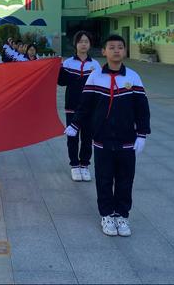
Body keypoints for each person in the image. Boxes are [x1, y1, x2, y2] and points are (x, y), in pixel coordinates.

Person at [65, 34, 151, 237]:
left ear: (125, 51)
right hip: (102, 139)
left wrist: (142, 134)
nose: (116, 51)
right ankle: (107, 215)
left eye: (120, 47)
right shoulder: (95, 76)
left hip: (127, 139)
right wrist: (75, 125)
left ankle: (122, 216)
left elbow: (142, 108)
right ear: (104, 51)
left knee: (125, 179)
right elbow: (85, 105)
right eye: (111, 47)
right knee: (104, 179)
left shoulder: (133, 77)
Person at [58, 31, 101, 182]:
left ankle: (84, 165)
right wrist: (58, 68)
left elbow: (99, 86)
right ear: (75, 44)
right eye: (81, 41)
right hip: (72, 107)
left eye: (86, 41)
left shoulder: (95, 65)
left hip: (90, 108)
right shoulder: (68, 63)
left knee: (87, 137)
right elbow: (61, 82)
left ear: (90, 44)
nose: (84, 44)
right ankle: (74, 165)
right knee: (73, 137)